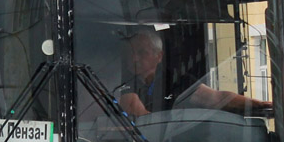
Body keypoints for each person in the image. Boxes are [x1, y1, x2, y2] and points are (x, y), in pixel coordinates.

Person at [116, 27, 272, 117]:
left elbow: (216, 98)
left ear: (159, 56)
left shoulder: (174, 80)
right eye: (132, 52)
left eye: (142, 52)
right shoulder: (120, 81)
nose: (135, 58)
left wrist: (261, 105)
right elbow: (136, 114)